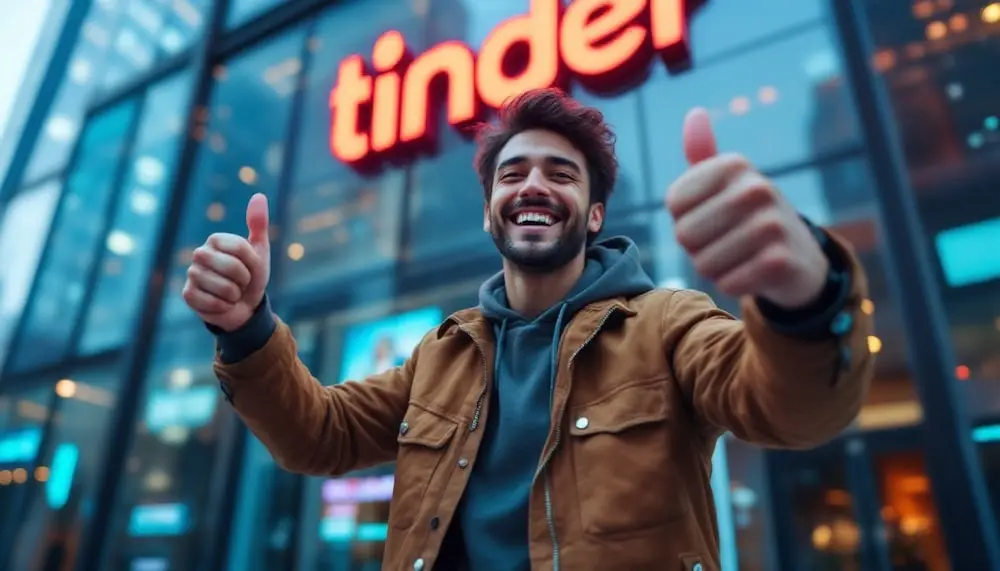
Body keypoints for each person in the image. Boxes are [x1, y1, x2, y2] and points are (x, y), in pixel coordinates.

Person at [182, 88, 873, 571]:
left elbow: (789, 408)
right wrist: (247, 328)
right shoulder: (443, 352)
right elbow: (318, 435)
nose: (532, 185)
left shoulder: (668, 322)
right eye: (512, 173)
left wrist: (805, 298)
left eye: (561, 174)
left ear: (594, 214)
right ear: (490, 213)